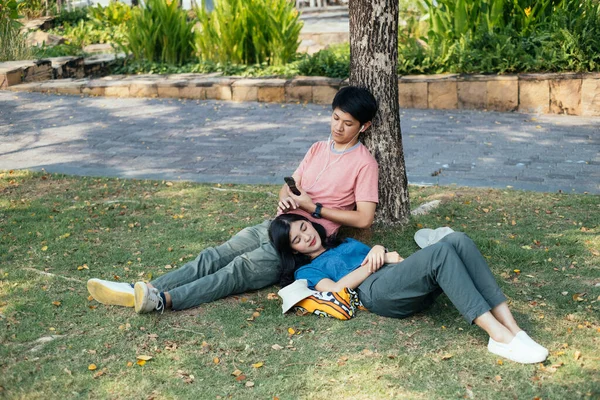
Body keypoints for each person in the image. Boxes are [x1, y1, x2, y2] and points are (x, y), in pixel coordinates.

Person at [87, 86, 380, 314]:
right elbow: (291, 185)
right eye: (335, 118)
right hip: (279, 224)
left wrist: (313, 208)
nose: (338, 128)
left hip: (304, 243)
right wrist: (287, 200)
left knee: (236, 270)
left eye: (348, 123)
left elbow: (364, 218)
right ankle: (140, 289)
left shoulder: (364, 163)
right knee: (213, 256)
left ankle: (163, 300)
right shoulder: (318, 148)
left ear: (363, 127)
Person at [268, 214, 549, 364]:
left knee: (458, 240)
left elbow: (386, 257)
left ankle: (512, 328)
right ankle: (497, 336)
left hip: (396, 277)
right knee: (439, 252)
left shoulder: (344, 244)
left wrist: (379, 249)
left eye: (304, 228)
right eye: (297, 239)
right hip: (375, 291)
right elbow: (335, 290)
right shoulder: (307, 269)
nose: (306, 236)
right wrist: (374, 263)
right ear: (292, 250)